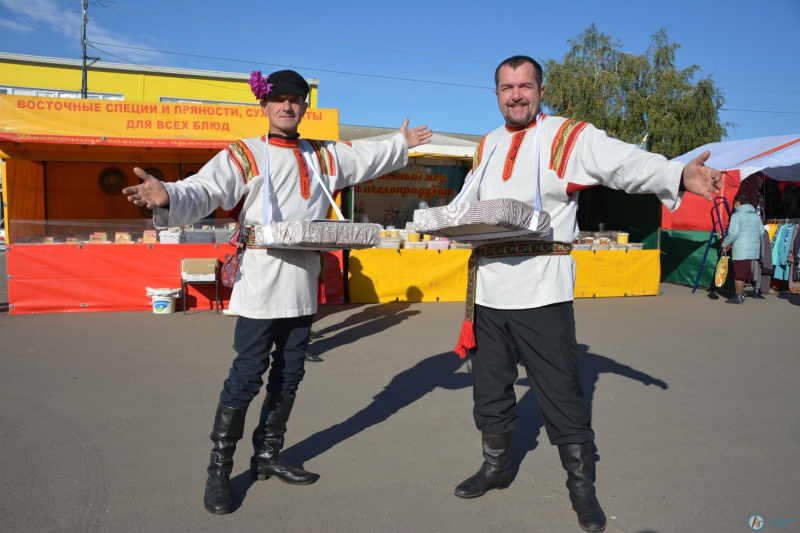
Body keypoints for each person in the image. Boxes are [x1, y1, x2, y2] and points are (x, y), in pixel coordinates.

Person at [122, 69, 432, 515]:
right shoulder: (245, 154)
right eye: (280, 99)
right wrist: (168, 194)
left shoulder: (322, 155)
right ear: (264, 106)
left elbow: (365, 156)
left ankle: (267, 456)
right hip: (262, 281)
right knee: (247, 376)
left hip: (303, 283)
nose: (288, 106)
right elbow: (205, 188)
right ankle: (219, 471)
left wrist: (399, 141)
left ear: (305, 108)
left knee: (290, 375)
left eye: (296, 100)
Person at [450, 56, 722, 533]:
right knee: (489, 387)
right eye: (507, 87)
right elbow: (469, 202)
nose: (516, 95)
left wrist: (676, 175)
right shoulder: (487, 145)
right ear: (495, 93)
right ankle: (495, 468)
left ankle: (581, 488)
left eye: (525, 86)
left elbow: (623, 161)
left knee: (561, 394)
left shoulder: (567, 136)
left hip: (541, 287)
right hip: (488, 290)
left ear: (540, 90)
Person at [721, 194, 766, 304]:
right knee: (744, 274)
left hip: (741, 249)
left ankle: (739, 296)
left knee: (739, 275)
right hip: (753, 250)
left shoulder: (737, 215)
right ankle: (740, 295)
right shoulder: (755, 215)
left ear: (738, 202)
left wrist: (724, 244)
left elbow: (733, 234)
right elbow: (761, 232)